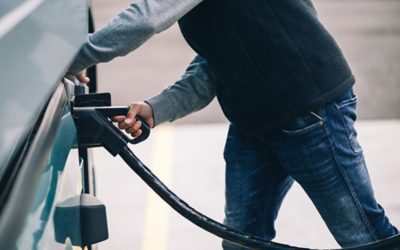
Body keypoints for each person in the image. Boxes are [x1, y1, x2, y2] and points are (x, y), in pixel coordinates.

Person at [68, 0, 398, 248]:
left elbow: (146, 18)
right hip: (256, 120)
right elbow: (215, 65)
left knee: (363, 236)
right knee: (242, 240)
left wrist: (70, 58)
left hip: (310, 111)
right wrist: (157, 108)